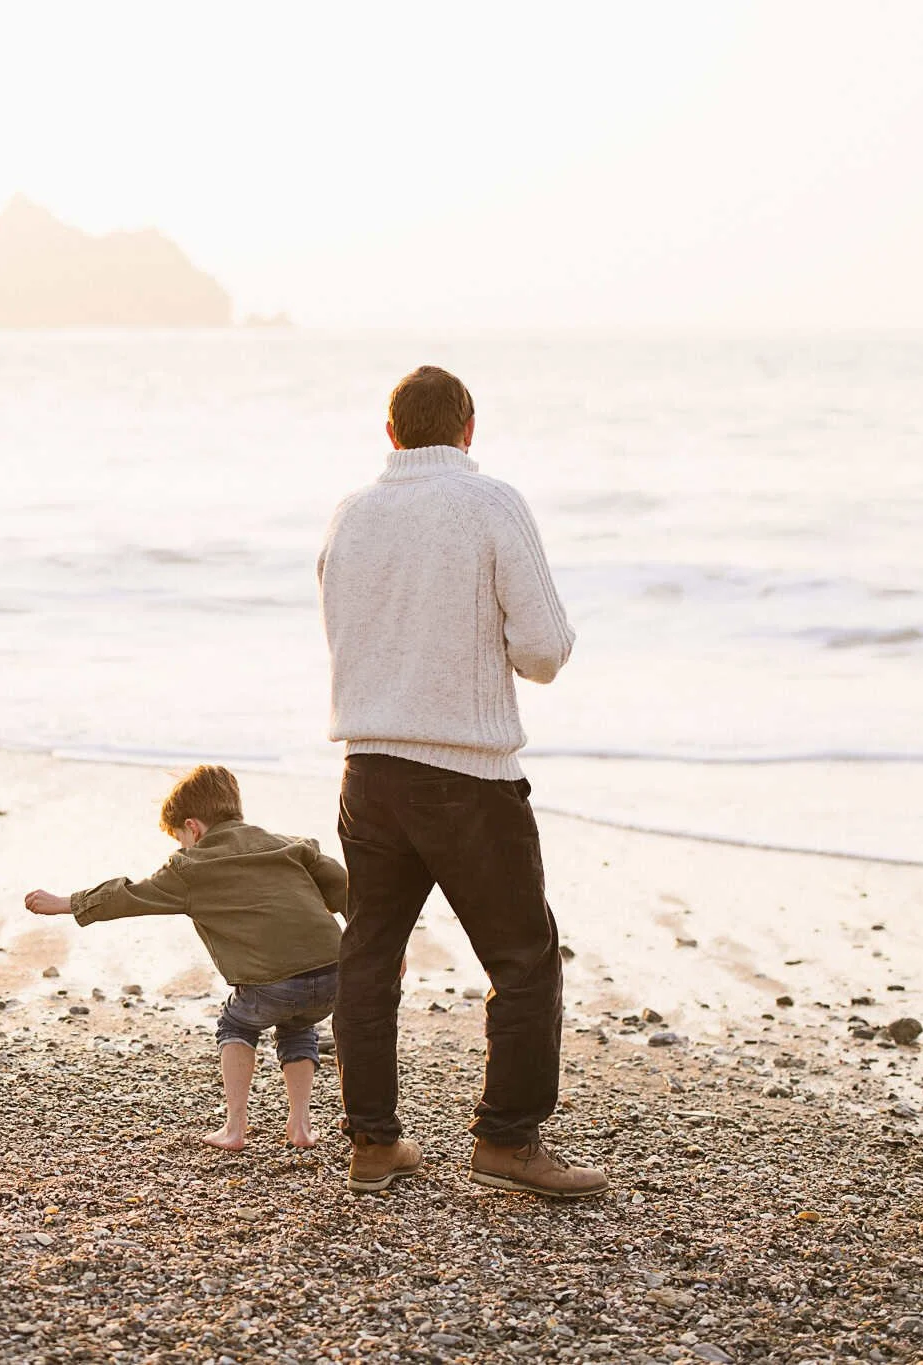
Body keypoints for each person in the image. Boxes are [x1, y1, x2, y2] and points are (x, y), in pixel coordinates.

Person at [318, 366, 608, 1197]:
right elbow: (544, 651)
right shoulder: (489, 503)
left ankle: (374, 1142)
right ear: (468, 429)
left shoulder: (353, 512)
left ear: (392, 433)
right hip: (467, 773)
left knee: (370, 955)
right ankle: (507, 1143)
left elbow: (346, 627)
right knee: (523, 958)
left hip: (367, 769)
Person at [24, 765, 348, 1151]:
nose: (181, 847)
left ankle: (235, 1129)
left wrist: (67, 903)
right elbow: (348, 891)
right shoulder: (292, 846)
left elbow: (130, 895)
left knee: (236, 1024)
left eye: (180, 838)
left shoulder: (191, 867)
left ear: (192, 828)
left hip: (273, 985)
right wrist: (387, 951)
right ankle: (300, 1127)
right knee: (298, 1027)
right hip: (335, 976)